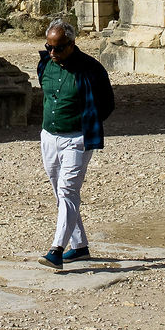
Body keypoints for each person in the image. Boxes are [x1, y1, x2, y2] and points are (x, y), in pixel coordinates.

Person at [36, 19, 115, 271]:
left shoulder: (91, 69)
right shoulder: (45, 64)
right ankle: (79, 246)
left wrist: (88, 122)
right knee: (60, 192)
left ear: (72, 44)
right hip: (49, 136)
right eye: (49, 47)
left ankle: (56, 250)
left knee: (68, 190)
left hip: (77, 139)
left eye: (58, 48)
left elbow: (107, 103)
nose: (52, 53)